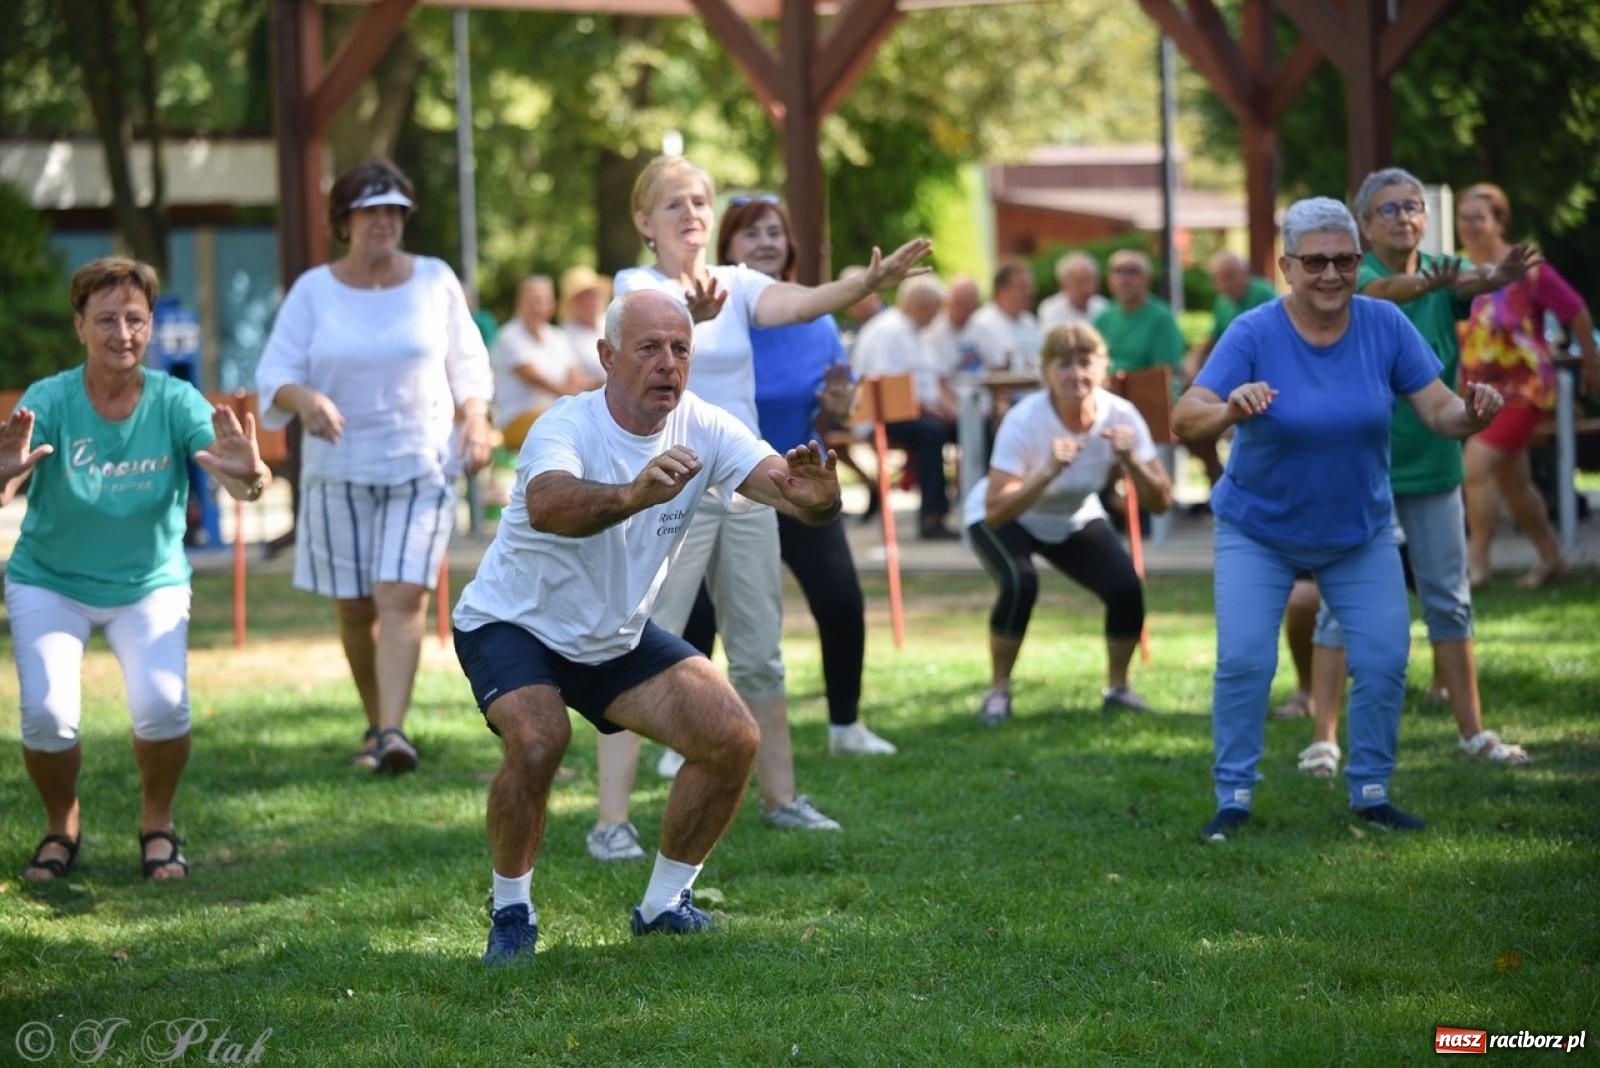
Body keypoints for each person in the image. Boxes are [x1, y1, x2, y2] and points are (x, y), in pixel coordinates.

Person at [453, 290, 845, 963]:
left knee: (731, 738)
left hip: (613, 638)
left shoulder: (706, 425)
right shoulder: (566, 424)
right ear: (607, 356)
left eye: (681, 349)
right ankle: (512, 912)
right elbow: (547, 505)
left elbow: (790, 490)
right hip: (512, 624)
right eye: (650, 348)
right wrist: (633, 494)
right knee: (541, 739)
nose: (669, 363)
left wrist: (820, 498)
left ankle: (664, 905)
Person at [587, 157, 932, 859]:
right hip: (668, 482)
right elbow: (658, 324)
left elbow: (800, 302)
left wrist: (866, 283)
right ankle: (611, 823)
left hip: (740, 484)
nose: (691, 215)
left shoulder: (741, 286)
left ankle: (782, 799)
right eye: (674, 204)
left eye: (700, 203)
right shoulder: (636, 286)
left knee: (760, 653)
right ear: (643, 222)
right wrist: (690, 316)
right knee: (634, 645)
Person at [1172, 196, 1505, 841]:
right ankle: (1233, 796)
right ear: (1287, 266)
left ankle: (1372, 793)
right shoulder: (1253, 332)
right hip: (1258, 530)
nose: (1331, 275)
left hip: (1359, 530)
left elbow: (1439, 412)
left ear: (1358, 262)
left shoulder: (1384, 325)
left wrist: (1473, 415)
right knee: (1244, 661)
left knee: (1383, 657)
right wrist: (1229, 411)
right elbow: (1185, 416)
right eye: (1316, 262)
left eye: (1344, 261)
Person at [4, 256, 272, 882]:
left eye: (134, 319)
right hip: (51, 580)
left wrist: (253, 475)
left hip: (148, 585)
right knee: (47, 714)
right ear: (79, 327)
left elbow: (241, 484)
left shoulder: (177, 401)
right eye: (106, 320)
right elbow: (7, 487)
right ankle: (60, 826)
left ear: (150, 327)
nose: (122, 333)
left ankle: (158, 824)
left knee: (163, 705)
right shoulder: (50, 399)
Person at [255, 159, 493, 775]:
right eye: (370, 211)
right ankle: (376, 720)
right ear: (344, 221)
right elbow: (273, 374)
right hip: (338, 469)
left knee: (401, 594)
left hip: (421, 462)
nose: (384, 222)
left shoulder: (434, 279)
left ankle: (392, 732)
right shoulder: (314, 290)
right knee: (356, 606)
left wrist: (474, 417)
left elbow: (469, 362)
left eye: (394, 211)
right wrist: (304, 399)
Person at [1303, 167, 1534, 777]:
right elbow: (1384, 296)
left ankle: (1473, 733)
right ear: (1364, 224)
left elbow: (1471, 280)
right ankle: (1323, 742)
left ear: (1425, 218)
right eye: (1389, 209)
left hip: (1433, 462)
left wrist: (1497, 276)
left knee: (1449, 603)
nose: (1404, 216)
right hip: (1364, 466)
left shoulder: (1441, 268)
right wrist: (1444, 281)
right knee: (1338, 607)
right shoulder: (1353, 275)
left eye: (1412, 206)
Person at [966, 322, 1171, 726]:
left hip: (1073, 515)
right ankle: (998, 692)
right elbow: (995, 510)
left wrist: (1131, 462)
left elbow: (1161, 502)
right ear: (1045, 373)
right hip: (1007, 515)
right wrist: (1045, 472)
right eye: (1063, 364)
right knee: (1021, 583)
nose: (1075, 374)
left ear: (1103, 368)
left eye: (1084, 363)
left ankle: (1118, 689)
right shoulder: (1025, 420)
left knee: (1126, 588)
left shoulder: (1121, 414)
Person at [1457, 181, 1600, 588]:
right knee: (1514, 483)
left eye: (1478, 218)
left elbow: (1576, 311)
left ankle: (1478, 565)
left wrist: (1591, 362)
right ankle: (1553, 559)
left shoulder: (1526, 268)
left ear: (1499, 221)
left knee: (1476, 465)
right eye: (1463, 218)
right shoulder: (1461, 271)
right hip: (1476, 392)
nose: (1468, 226)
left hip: (1522, 391)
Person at [853, 277, 961, 539]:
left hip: (908, 411)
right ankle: (932, 518)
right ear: (922, 306)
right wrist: (931, 410)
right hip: (881, 414)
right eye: (935, 309)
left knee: (970, 428)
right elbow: (888, 390)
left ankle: (973, 507)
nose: (937, 317)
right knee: (931, 433)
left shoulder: (912, 331)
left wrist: (944, 408)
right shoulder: (889, 331)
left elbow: (927, 381)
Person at [1184, 252, 1278, 486]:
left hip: (1260, 380)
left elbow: (1270, 344)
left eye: (1229, 277)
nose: (1223, 284)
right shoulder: (1222, 302)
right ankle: (1219, 480)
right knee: (1188, 423)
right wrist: (1194, 360)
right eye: (1218, 279)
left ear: (1245, 274)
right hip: (1232, 379)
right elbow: (1213, 340)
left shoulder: (1263, 294)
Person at [491, 275, 583, 452]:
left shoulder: (558, 337)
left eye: (543, 300)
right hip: (517, 418)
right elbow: (533, 378)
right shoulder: (509, 336)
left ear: (552, 304)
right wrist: (575, 395)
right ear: (520, 303)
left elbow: (576, 376)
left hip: (555, 413)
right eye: (532, 301)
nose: (537, 306)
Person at [1094, 250, 1186, 385]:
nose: (1125, 279)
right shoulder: (1104, 318)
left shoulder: (1161, 318)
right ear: (1109, 279)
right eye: (1118, 271)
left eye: (1132, 272)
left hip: (1148, 396)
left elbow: (1164, 373)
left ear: (1147, 279)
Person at [964, 263, 1042, 374]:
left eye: (1030, 286)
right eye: (1022, 287)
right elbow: (974, 371)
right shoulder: (981, 323)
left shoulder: (1029, 321)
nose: (1029, 292)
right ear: (1002, 291)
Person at [557, 264, 611, 387]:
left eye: (593, 294)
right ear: (572, 303)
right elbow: (576, 382)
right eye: (583, 297)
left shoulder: (611, 320)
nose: (590, 301)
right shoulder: (563, 336)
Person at [1037, 252, 1108, 333]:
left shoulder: (1103, 306)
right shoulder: (1050, 309)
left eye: (1090, 281)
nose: (1087, 288)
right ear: (1064, 284)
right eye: (1080, 282)